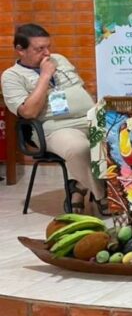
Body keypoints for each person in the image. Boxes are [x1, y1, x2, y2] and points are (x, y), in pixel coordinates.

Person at [1, 24, 108, 215]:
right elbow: (29, 112)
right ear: (20, 49)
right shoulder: (11, 76)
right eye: (39, 49)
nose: (47, 53)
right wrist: (45, 75)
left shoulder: (59, 60)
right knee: (79, 148)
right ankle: (104, 197)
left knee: (129, 137)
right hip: (55, 128)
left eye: (48, 46)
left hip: (90, 118)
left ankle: (78, 187)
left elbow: (80, 89)